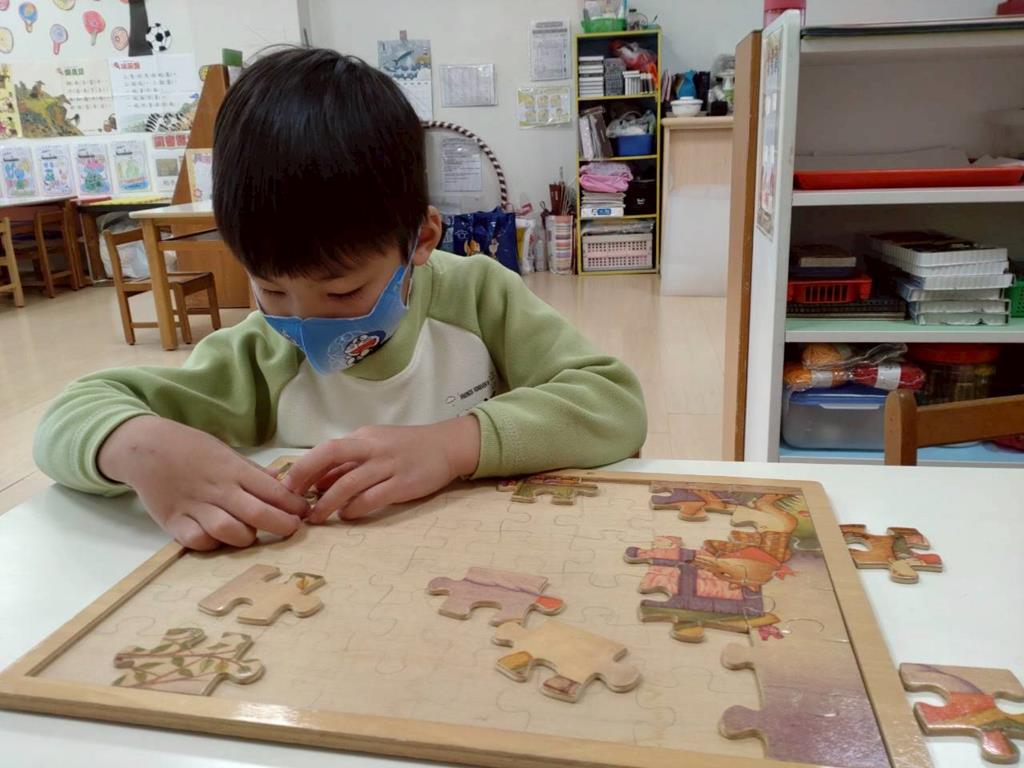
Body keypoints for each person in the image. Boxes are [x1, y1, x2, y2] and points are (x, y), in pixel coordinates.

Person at [33, 47, 646, 551]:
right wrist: (140, 447)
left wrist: (454, 444)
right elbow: (70, 414)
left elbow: (615, 403)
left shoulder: (478, 295)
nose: (305, 320)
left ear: (421, 239)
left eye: (343, 289)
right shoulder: (261, 352)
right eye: (271, 288)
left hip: (486, 557)